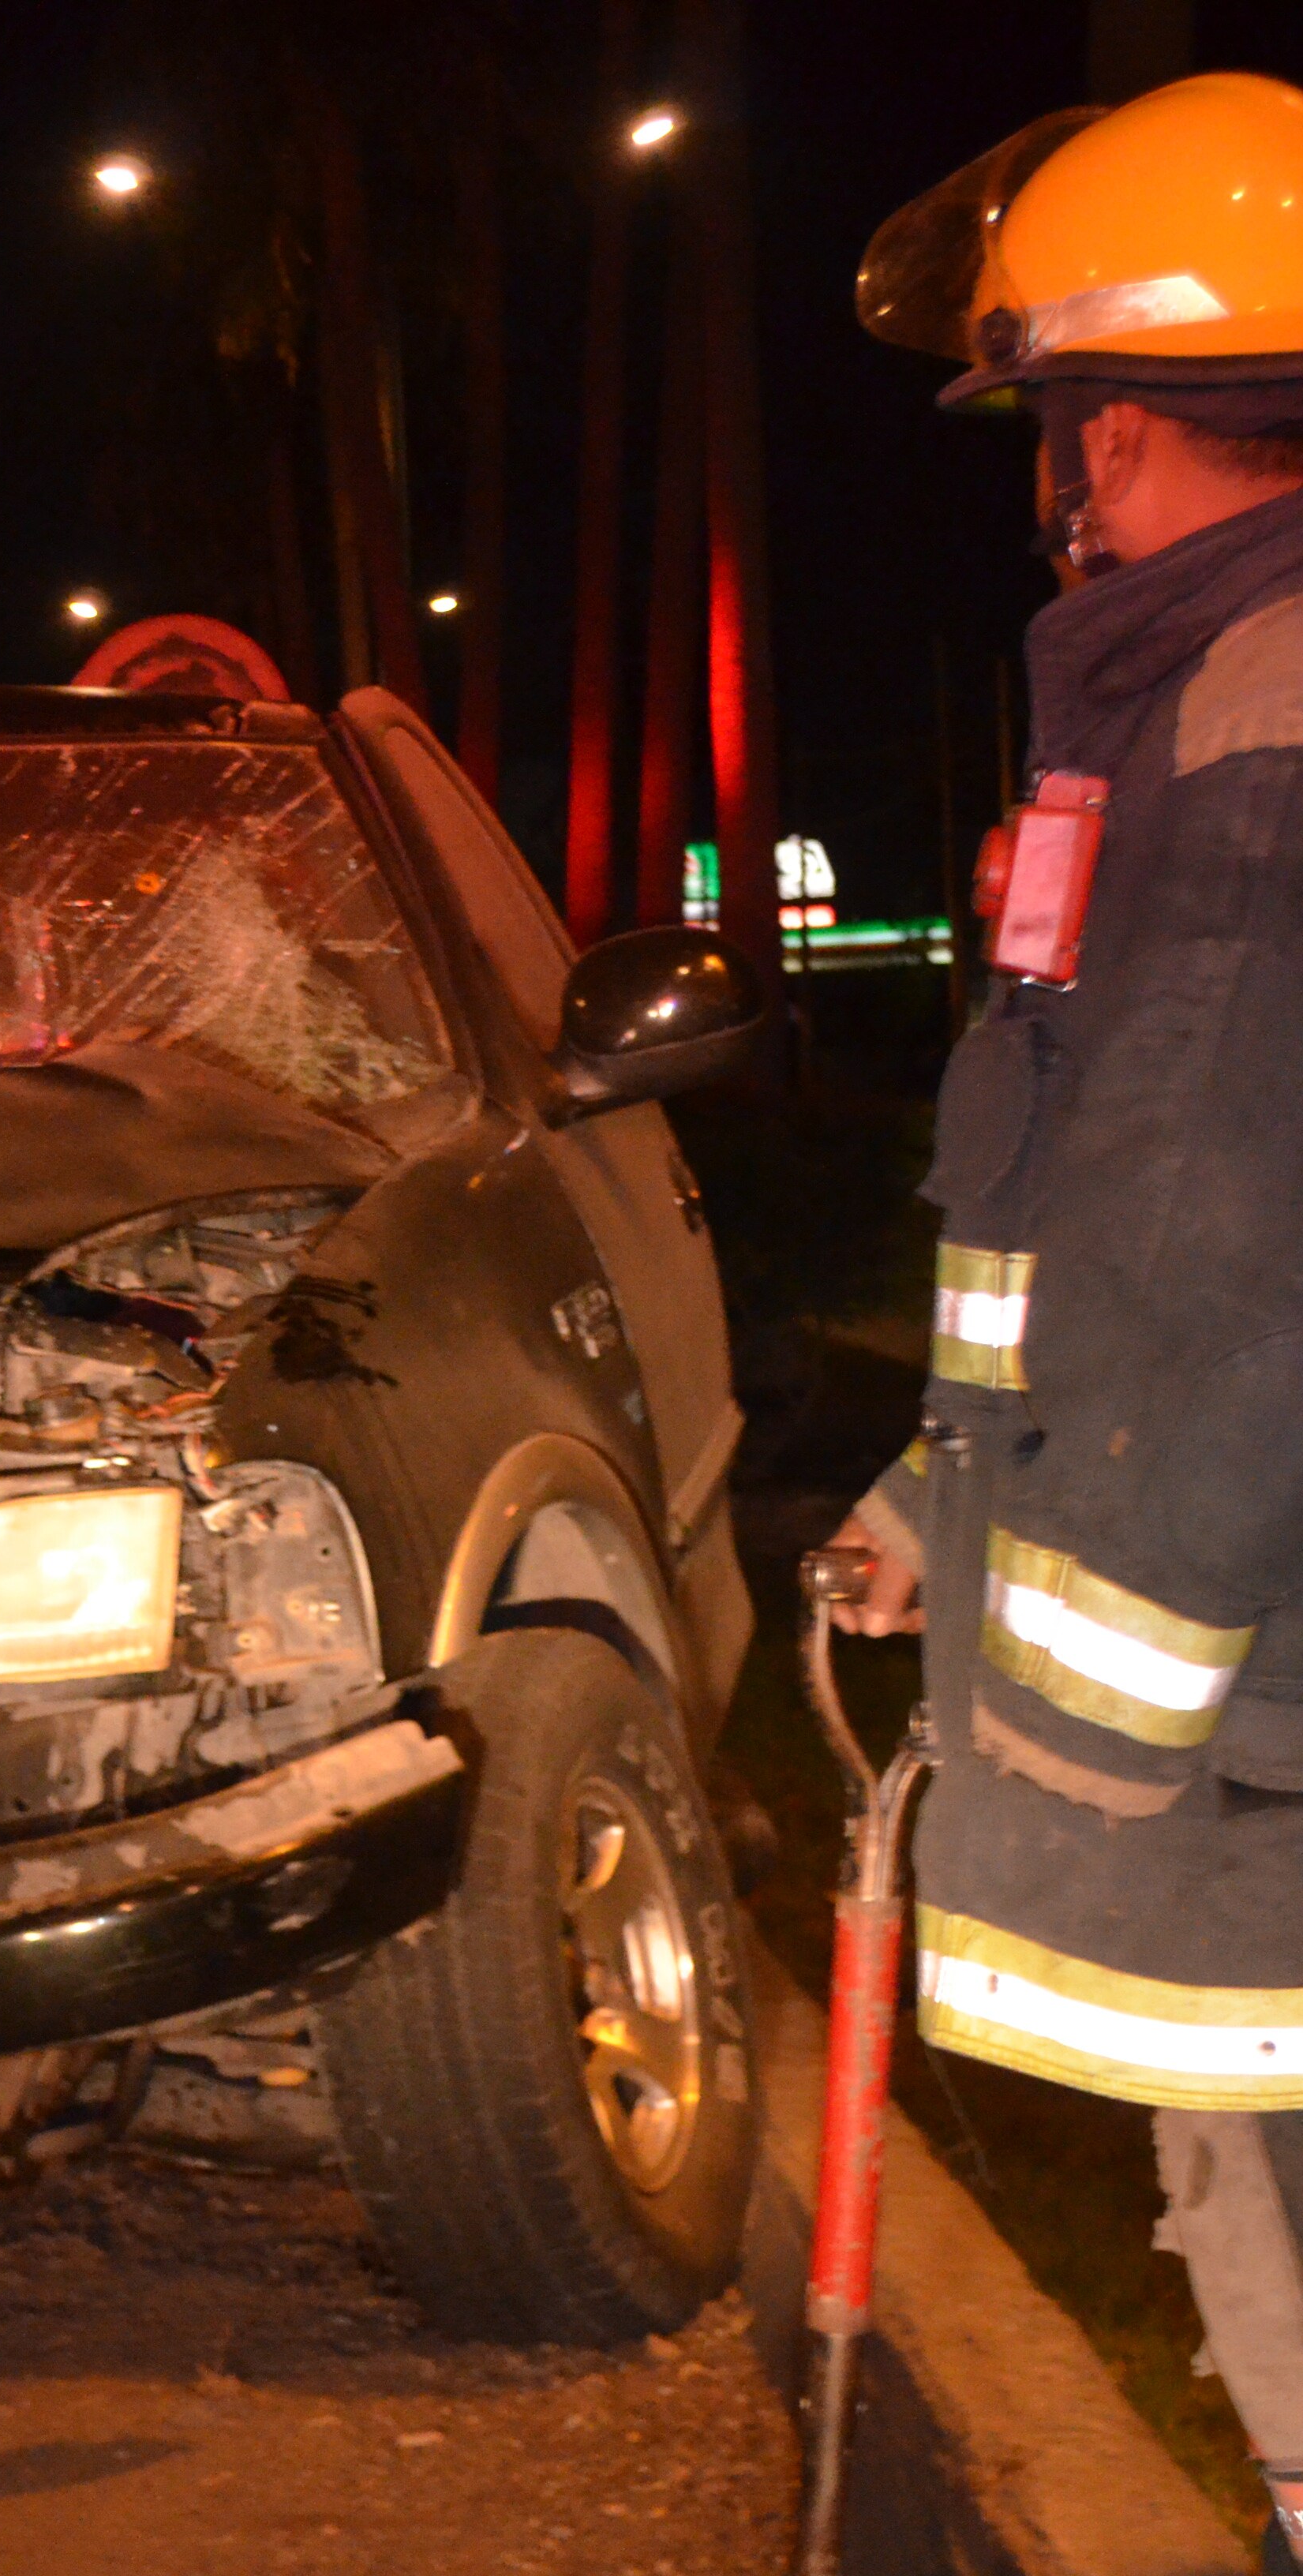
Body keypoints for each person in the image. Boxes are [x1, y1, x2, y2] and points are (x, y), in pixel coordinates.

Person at [839, 71, 1303, 2569]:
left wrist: (1089, 1729)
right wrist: (941, 1492)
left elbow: (1220, 1268)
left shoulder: (1251, 717)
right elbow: (1080, 1199)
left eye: (1053, 427)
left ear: (1115, 423)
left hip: (1265, 1722)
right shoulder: (1205, 698)